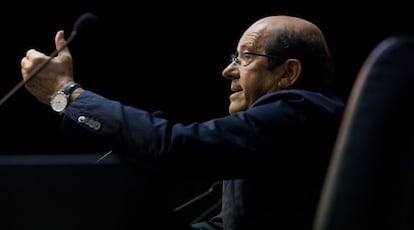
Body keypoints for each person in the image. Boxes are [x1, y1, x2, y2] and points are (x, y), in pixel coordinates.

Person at [20, 15, 344, 229]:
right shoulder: (281, 128)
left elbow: (176, 147)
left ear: (288, 72)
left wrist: (67, 93)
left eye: (245, 57)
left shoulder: (302, 110)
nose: (228, 71)